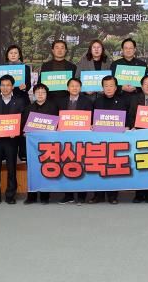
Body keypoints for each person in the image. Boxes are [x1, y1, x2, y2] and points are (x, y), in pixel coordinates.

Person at [0, 74, 26, 205]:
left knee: (11, 169)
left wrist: (17, 131)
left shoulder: (19, 101)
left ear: (12, 87)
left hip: (11, 141)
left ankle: (10, 195)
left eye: (8, 85)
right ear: (0, 86)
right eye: (2, 85)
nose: (5, 88)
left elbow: (22, 120)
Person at [92, 76, 129, 204]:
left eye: (111, 85)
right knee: (99, 166)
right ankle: (98, 195)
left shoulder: (123, 101)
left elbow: (127, 119)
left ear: (116, 87)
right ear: (102, 88)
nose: (108, 88)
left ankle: (113, 196)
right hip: (100, 140)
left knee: (113, 167)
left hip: (116, 140)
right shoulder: (97, 101)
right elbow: (92, 119)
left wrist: (127, 126)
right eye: (106, 86)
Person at [57, 77, 94, 205]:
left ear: (80, 88)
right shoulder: (61, 101)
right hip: (65, 138)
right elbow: (56, 118)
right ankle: (68, 195)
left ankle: (82, 196)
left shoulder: (87, 101)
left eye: (77, 86)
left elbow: (90, 119)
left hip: (81, 138)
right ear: (67, 88)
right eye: (72, 86)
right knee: (66, 165)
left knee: (81, 165)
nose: (74, 88)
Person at [0, 45, 32, 161]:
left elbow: (28, 84)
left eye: (16, 53)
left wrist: (25, 87)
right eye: (11, 53)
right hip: (5, 100)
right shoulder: (1, 69)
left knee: (22, 125)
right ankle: (4, 153)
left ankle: (23, 152)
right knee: (6, 125)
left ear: (19, 55)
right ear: (7, 55)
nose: (13, 55)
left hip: (21, 100)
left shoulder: (25, 68)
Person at [22, 83, 58, 205]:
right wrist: (25, 133)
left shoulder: (53, 108)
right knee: (32, 169)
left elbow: (57, 125)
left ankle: (45, 196)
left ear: (47, 94)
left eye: (43, 92)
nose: (40, 95)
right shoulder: (28, 108)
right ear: (34, 94)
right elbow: (23, 125)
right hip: (32, 146)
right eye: (38, 92)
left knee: (46, 168)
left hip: (47, 144)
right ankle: (31, 196)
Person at [127, 74, 148, 204]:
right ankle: (139, 194)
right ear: (141, 86)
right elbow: (130, 115)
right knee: (139, 164)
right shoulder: (135, 98)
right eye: (146, 84)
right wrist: (132, 126)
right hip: (139, 135)